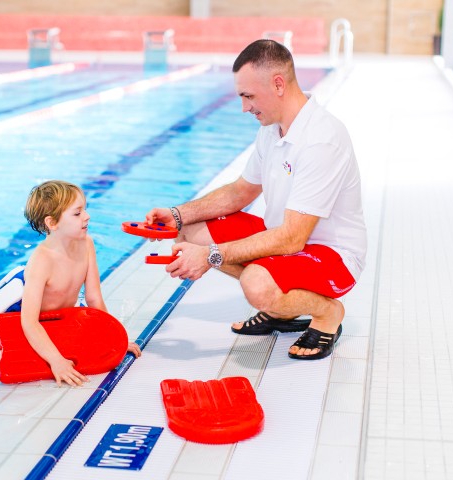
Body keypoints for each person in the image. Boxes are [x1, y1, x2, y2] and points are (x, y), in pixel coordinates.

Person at [145, 39, 366, 360]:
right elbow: (241, 191)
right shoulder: (273, 128)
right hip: (289, 242)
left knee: (256, 284)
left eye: (248, 96)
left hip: (332, 257)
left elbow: (291, 239)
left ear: (278, 84)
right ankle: (283, 311)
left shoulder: (321, 139)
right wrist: (179, 214)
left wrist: (210, 256)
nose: (244, 107)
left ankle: (328, 313)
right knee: (190, 230)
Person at [0, 180, 141, 386]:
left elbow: (94, 298)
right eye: (77, 213)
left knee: (85, 355)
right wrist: (55, 360)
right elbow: (29, 322)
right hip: (12, 321)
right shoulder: (42, 260)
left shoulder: (86, 243)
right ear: (52, 223)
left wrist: (115, 341)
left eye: (84, 209)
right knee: (21, 367)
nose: (87, 216)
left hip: (55, 320)